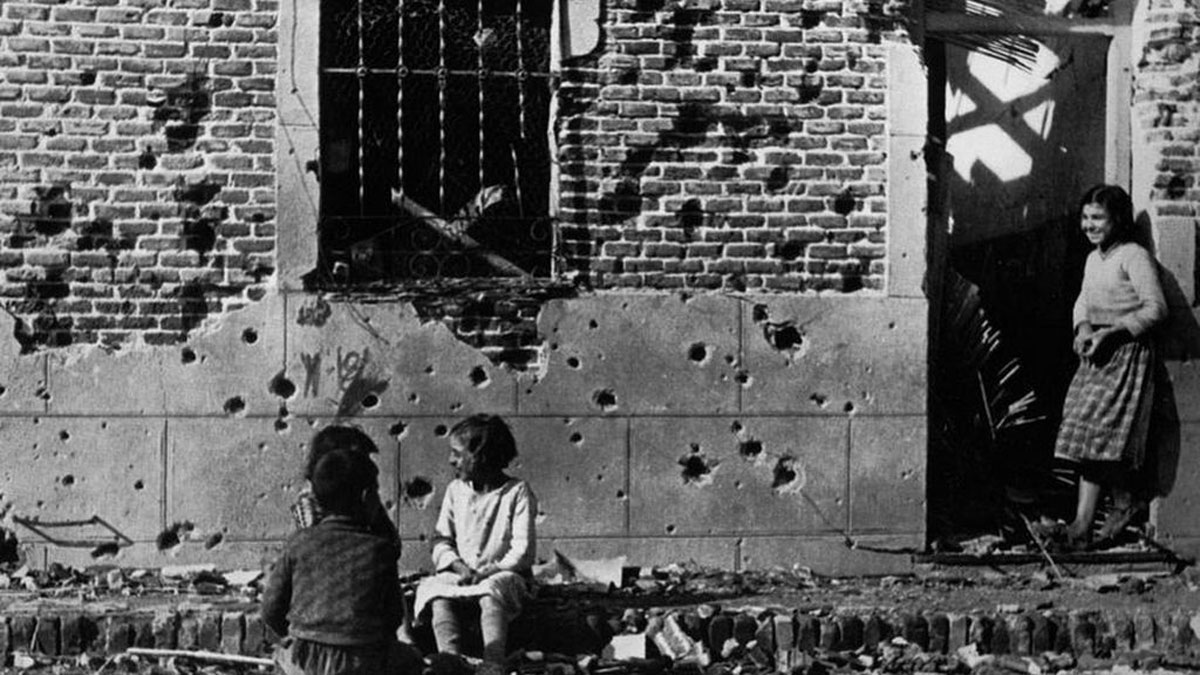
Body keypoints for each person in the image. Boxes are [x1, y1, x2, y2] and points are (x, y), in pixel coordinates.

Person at [1052, 184, 1167, 551]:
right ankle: (1102, 513)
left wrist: (1113, 334)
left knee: (1099, 435)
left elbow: (1156, 308)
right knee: (1085, 432)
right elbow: (1083, 301)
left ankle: (1089, 521)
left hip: (1125, 353)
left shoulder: (1133, 256)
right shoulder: (1093, 259)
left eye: (1098, 218)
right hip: (1096, 352)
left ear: (1118, 219)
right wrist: (1084, 329)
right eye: (1085, 218)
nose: (1090, 225)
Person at [262, 447, 421, 675]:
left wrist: (294, 635)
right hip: (362, 663)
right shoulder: (380, 549)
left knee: (282, 657)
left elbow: (271, 608)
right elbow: (393, 615)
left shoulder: (299, 542)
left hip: (304, 662)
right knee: (412, 660)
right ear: (367, 497)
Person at [413, 414, 537, 665]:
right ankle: (450, 660)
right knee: (435, 591)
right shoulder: (455, 491)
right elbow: (441, 540)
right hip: (464, 572)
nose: (451, 461)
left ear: (481, 456)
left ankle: (493, 662)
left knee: (492, 593)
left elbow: (522, 550)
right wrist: (459, 566)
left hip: (504, 574)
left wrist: (491, 570)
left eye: (457, 454)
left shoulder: (516, 492)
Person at [291, 426, 399, 543]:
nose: (367, 467)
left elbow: (391, 542)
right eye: (360, 460)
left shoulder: (363, 499)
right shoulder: (312, 511)